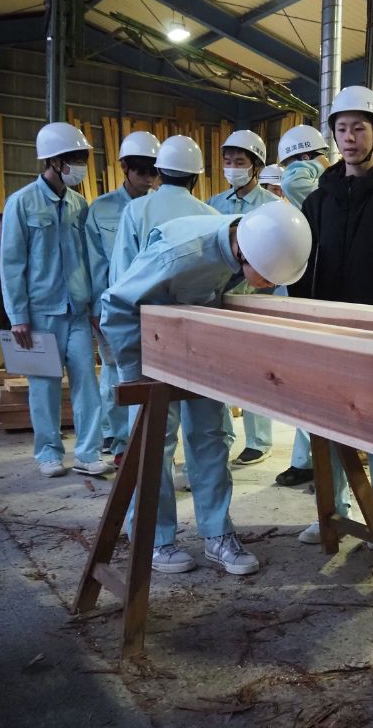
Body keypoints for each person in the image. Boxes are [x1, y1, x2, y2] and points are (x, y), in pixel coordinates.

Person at [101, 200, 312, 575]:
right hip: (149, 346)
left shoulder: (255, 236)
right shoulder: (180, 256)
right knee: (154, 443)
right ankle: (155, 538)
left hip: (199, 346)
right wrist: (137, 376)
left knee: (211, 438)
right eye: (267, 277)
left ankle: (217, 534)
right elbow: (116, 305)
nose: (269, 285)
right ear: (242, 252)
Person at [288, 85, 373, 547]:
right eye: (342, 129)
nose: (349, 138)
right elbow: (301, 262)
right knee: (325, 427)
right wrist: (307, 315)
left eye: (359, 128)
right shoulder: (319, 200)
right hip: (327, 333)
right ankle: (331, 511)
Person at [0, 121, 112, 478]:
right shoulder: (22, 203)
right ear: (54, 160)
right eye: (74, 158)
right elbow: (12, 263)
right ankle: (48, 452)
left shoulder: (80, 205)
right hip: (39, 314)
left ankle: (87, 452)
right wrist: (17, 315)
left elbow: (90, 260)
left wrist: (94, 305)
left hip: (77, 311)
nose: (80, 165)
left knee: (87, 384)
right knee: (44, 388)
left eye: (82, 157)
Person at [112, 135, 219, 486]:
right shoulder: (213, 218)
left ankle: (155, 538)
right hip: (201, 340)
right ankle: (218, 534)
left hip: (149, 339)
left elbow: (122, 283)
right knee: (208, 437)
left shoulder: (136, 211)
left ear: (158, 172)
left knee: (152, 440)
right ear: (197, 177)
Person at [207, 130, 282, 468]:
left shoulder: (271, 207)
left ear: (255, 165)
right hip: (221, 299)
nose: (232, 168)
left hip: (256, 300)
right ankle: (224, 434)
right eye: (227, 162)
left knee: (254, 375)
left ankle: (258, 440)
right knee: (220, 374)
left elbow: (281, 258)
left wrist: (276, 305)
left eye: (239, 162)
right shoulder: (214, 205)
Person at [86, 130, 160, 464]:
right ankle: (117, 440)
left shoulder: (158, 208)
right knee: (114, 373)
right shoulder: (100, 210)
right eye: (141, 170)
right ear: (125, 168)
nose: (147, 179)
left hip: (151, 309)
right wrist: (96, 308)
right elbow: (93, 262)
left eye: (153, 171)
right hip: (112, 308)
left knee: (148, 376)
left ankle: (141, 440)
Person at [275, 158, 328, 488]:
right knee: (306, 391)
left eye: (297, 163)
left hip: (323, 306)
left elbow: (294, 182)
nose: (293, 171)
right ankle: (306, 461)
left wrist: (316, 163)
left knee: (316, 392)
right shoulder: (300, 208)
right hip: (300, 302)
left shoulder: (316, 195)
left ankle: (312, 463)